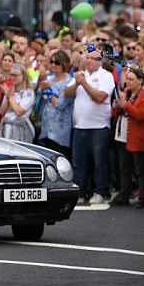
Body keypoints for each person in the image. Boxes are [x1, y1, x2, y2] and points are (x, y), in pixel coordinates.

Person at [64, 46, 114, 204]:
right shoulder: (81, 74)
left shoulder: (106, 76)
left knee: (99, 162)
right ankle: (80, 192)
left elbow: (99, 97)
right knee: (79, 162)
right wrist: (77, 83)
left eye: (95, 59)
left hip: (99, 126)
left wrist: (83, 83)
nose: (90, 61)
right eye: (88, 57)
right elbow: (67, 93)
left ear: (101, 62)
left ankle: (100, 191)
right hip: (80, 126)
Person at [112, 66, 144, 208]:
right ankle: (125, 193)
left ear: (140, 81)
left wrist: (126, 105)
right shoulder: (127, 93)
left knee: (141, 169)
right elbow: (119, 112)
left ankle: (143, 197)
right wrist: (117, 106)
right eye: (127, 79)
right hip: (123, 135)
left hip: (138, 136)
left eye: (131, 79)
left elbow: (141, 115)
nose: (128, 82)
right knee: (124, 167)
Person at [0, 63, 35, 143]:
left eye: (15, 75)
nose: (12, 78)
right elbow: (1, 111)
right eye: (11, 75)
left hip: (20, 129)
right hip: (7, 126)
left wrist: (10, 97)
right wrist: (7, 97)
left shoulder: (28, 93)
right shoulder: (10, 90)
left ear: (23, 76)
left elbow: (19, 111)